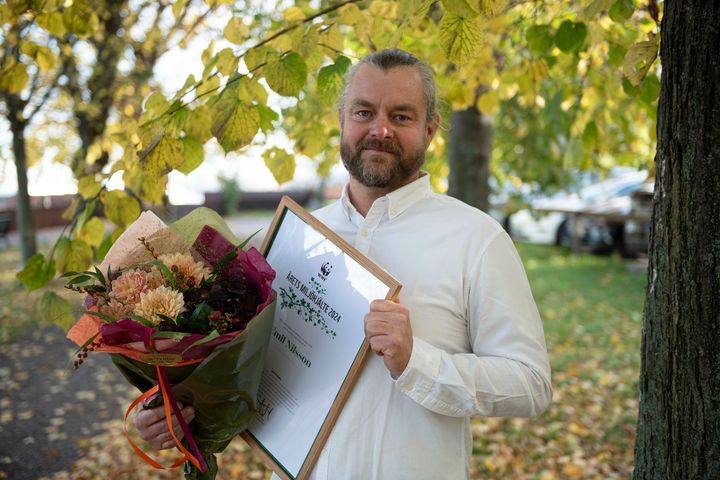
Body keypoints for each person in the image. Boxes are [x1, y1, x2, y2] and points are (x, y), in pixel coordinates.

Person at [135, 48, 552, 479]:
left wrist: (416, 362)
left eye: (402, 116)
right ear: (341, 120)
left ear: (430, 130)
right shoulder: (288, 240)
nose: (381, 129)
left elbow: (531, 385)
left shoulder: (476, 239)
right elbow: (245, 369)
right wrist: (177, 410)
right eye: (364, 112)